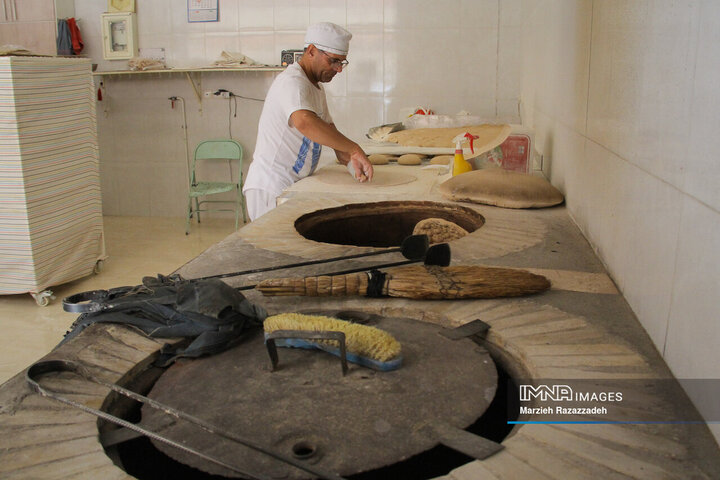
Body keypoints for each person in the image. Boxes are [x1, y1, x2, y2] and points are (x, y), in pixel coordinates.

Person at [243, 22, 374, 221]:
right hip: (270, 186)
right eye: (333, 61)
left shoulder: (316, 88)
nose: (338, 69)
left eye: (342, 63)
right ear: (312, 50)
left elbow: (330, 133)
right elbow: (305, 122)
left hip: (293, 184)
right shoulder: (292, 82)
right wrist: (354, 148)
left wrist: (350, 160)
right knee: (276, 249)